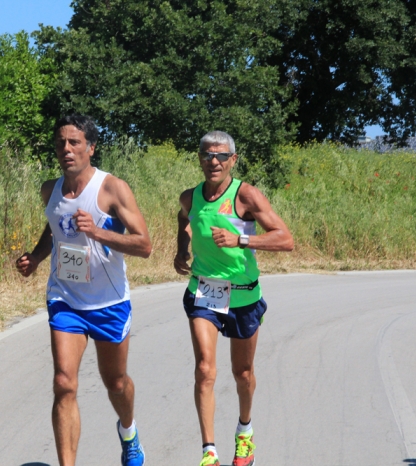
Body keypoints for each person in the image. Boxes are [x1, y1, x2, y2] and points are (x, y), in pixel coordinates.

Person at [16, 114, 151, 466]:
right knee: (63, 382)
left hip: (109, 302)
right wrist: (35, 257)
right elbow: (53, 230)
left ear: (91, 147)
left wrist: (98, 232)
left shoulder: (111, 189)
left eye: (74, 142)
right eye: (61, 142)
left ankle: (129, 432)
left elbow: (144, 245)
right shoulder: (50, 189)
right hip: (65, 298)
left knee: (116, 383)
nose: (66, 149)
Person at [174, 131, 294, 466]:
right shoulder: (191, 196)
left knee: (242, 373)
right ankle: (209, 452)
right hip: (204, 292)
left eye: (221, 156)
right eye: (207, 155)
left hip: (243, 297)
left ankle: (245, 433)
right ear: (199, 158)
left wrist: (240, 240)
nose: (213, 161)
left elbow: (285, 239)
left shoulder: (246, 196)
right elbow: (184, 217)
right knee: (204, 369)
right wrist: (182, 249)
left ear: (233, 160)